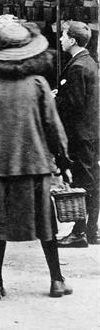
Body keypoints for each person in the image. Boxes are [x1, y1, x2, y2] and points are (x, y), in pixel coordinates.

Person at [0, 16, 73, 301]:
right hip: (34, 162)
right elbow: (54, 127)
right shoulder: (38, 83)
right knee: (45, 222)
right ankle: (56, 280)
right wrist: (62, 160)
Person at [55, 21, 99, 247]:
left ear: (72, 40)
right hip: (89, 132)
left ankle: (80, 232)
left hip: (80, 134)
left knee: (83, 182)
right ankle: (91, 230)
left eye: (63, 36)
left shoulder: (78, 66)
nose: (61, 39)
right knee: (90, 180)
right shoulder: (87, 62)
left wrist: (56, 99)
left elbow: (73, 103)